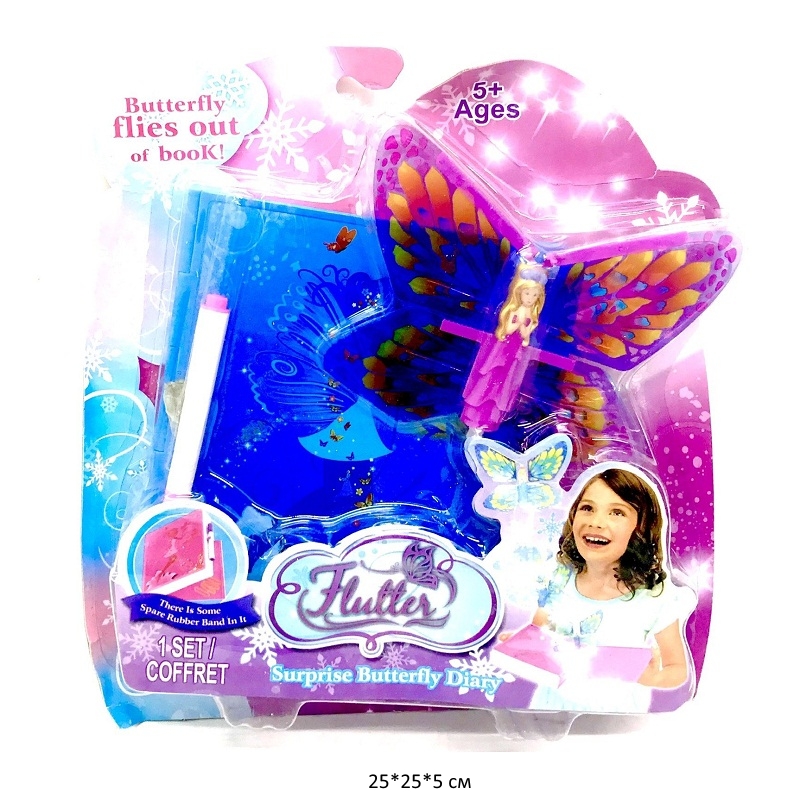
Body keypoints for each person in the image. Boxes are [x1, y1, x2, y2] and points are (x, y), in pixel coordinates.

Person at [526, 466, 695, 711]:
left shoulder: (653, 596)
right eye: (587, 508)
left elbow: (677, 668)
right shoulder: (560, 578)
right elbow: (538, 631)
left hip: (617, 715)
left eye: (617, 512)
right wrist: (523, 645)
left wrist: (653, 678)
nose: (596, 522)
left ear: (641, 528)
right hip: (550, 707)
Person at [460, 263, 546, 432]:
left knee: (505, 383)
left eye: (534, 295)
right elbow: (506, 330)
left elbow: (526, 339)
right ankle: (474, 419)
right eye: (527, 293)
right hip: (501, 350)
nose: (530, 298)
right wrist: (518, 324)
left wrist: (524, 328)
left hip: (515, 354)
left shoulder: (532, 315)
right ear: (519, 292)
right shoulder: (514, 310)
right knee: (490, 377)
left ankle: (487, 421)